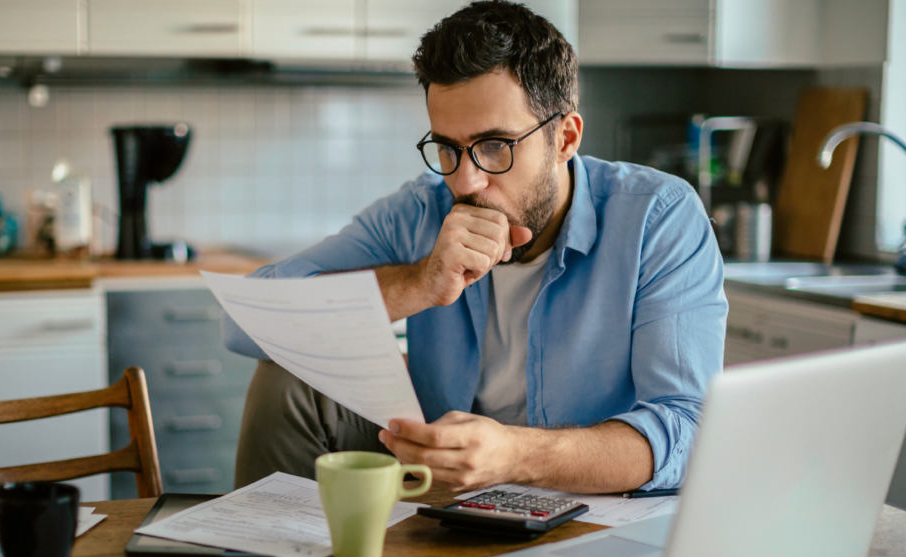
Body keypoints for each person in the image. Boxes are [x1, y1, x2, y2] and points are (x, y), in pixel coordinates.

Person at [223, 0, 727, 494]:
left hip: (587, 499)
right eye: (447, 147)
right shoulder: (419, 211)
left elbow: (689, 431)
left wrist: (514, 456)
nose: (465, 180)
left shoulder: (656, 218)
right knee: (286, 377)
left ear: (566, 138)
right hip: (438, 480)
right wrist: (418, 283)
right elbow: (244, 322)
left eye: (495, 146)